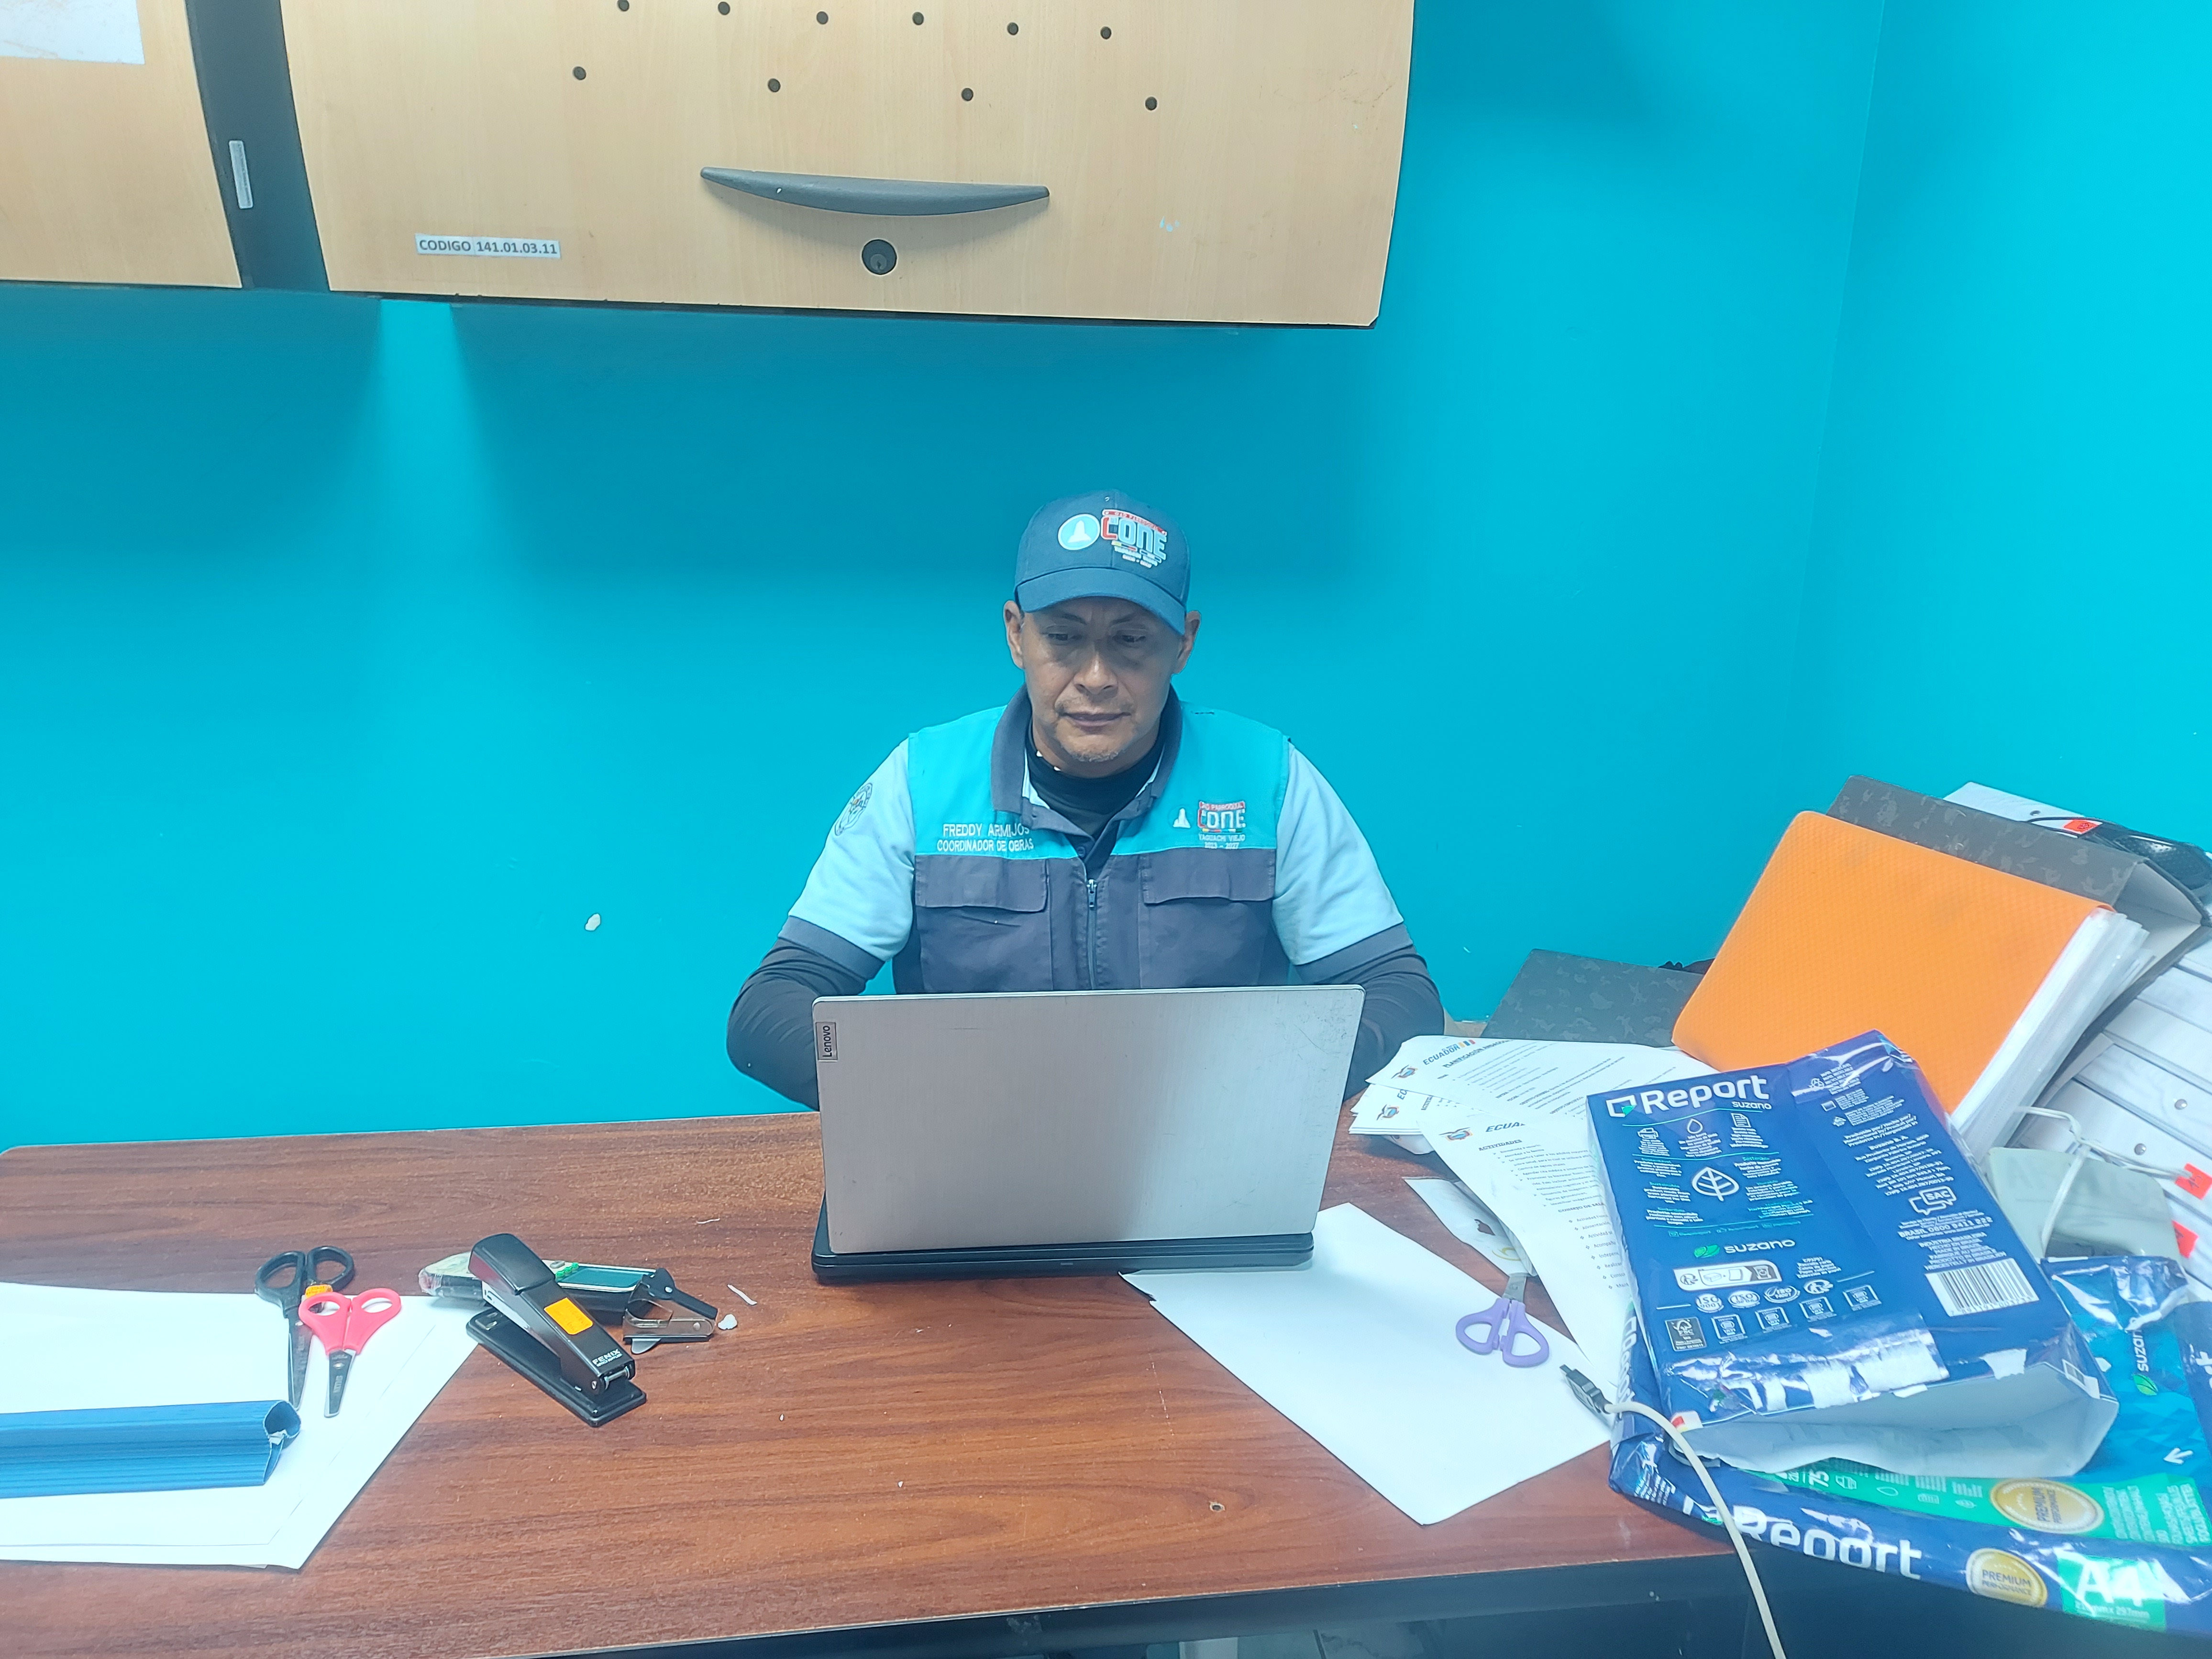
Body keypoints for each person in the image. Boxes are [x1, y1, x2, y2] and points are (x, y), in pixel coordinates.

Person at [727, 489, 1445, 1106]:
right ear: (1017, 636)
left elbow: (1398, 994)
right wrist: (937, 1098)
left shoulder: (1268, 779)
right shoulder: (922, 782)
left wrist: (1254, 1091)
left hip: (1210, 1151)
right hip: (969, 1148)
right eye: (1064, 638)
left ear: (1184, 643)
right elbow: (772, 1006)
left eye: (1131, 640)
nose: (1096, 676)